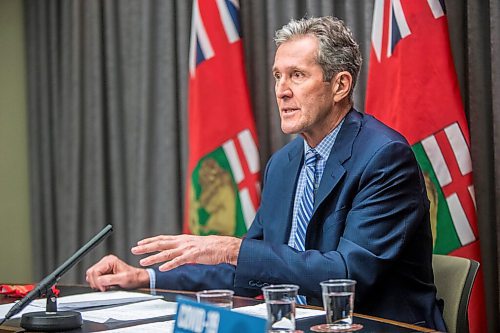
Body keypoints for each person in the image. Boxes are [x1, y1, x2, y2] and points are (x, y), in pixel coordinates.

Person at [86, 16, 446, 330]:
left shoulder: (384, 157)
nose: (281, 90)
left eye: (297, 75)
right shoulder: (284, 165)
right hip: (301, 324)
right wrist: (145, 278)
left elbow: (347, 275)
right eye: (277, 76)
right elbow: (250, 270)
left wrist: (234, 249)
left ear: (340, 85)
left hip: (378, 326)